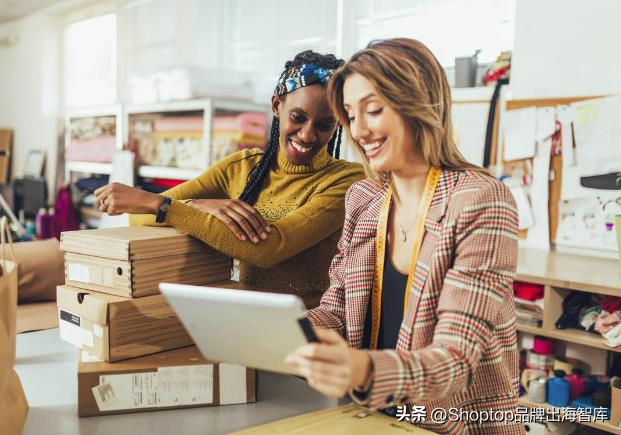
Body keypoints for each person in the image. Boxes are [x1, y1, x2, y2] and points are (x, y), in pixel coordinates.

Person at [286, 39, 522, 434]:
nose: (359, 130)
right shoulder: (365, 199)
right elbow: (339, 311)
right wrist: (290, 331)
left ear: (418, 104)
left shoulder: (479, 200)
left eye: (373, 110)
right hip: (370, 417)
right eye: (349, 114)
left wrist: (360, 369)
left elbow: (454, 361)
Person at [94, 51, 364, 304]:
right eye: (298, 117)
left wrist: (164, 206)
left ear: (338, 123)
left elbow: (269, 248)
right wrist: (195, 204)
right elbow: (139, 215)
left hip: (311, 332)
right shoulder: (241, 167)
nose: (307, 135)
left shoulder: (347, 181)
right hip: (244, 319)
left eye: (324, 124)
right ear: (276, 106)